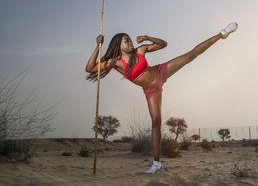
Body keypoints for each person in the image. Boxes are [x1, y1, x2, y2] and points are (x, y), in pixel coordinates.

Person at [85, 22, 238, 173]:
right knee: (156, 123)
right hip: (151, 90)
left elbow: (163, 44)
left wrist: (147, 37)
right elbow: (90, 68)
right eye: (126, 41)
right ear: (119, 45)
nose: (130, 42)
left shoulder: (141, 50)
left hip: (161, 72)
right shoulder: (115, 62)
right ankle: (157, 163)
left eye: (130, 39)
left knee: (191, 55)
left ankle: (221, 34)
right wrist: (97, 46)